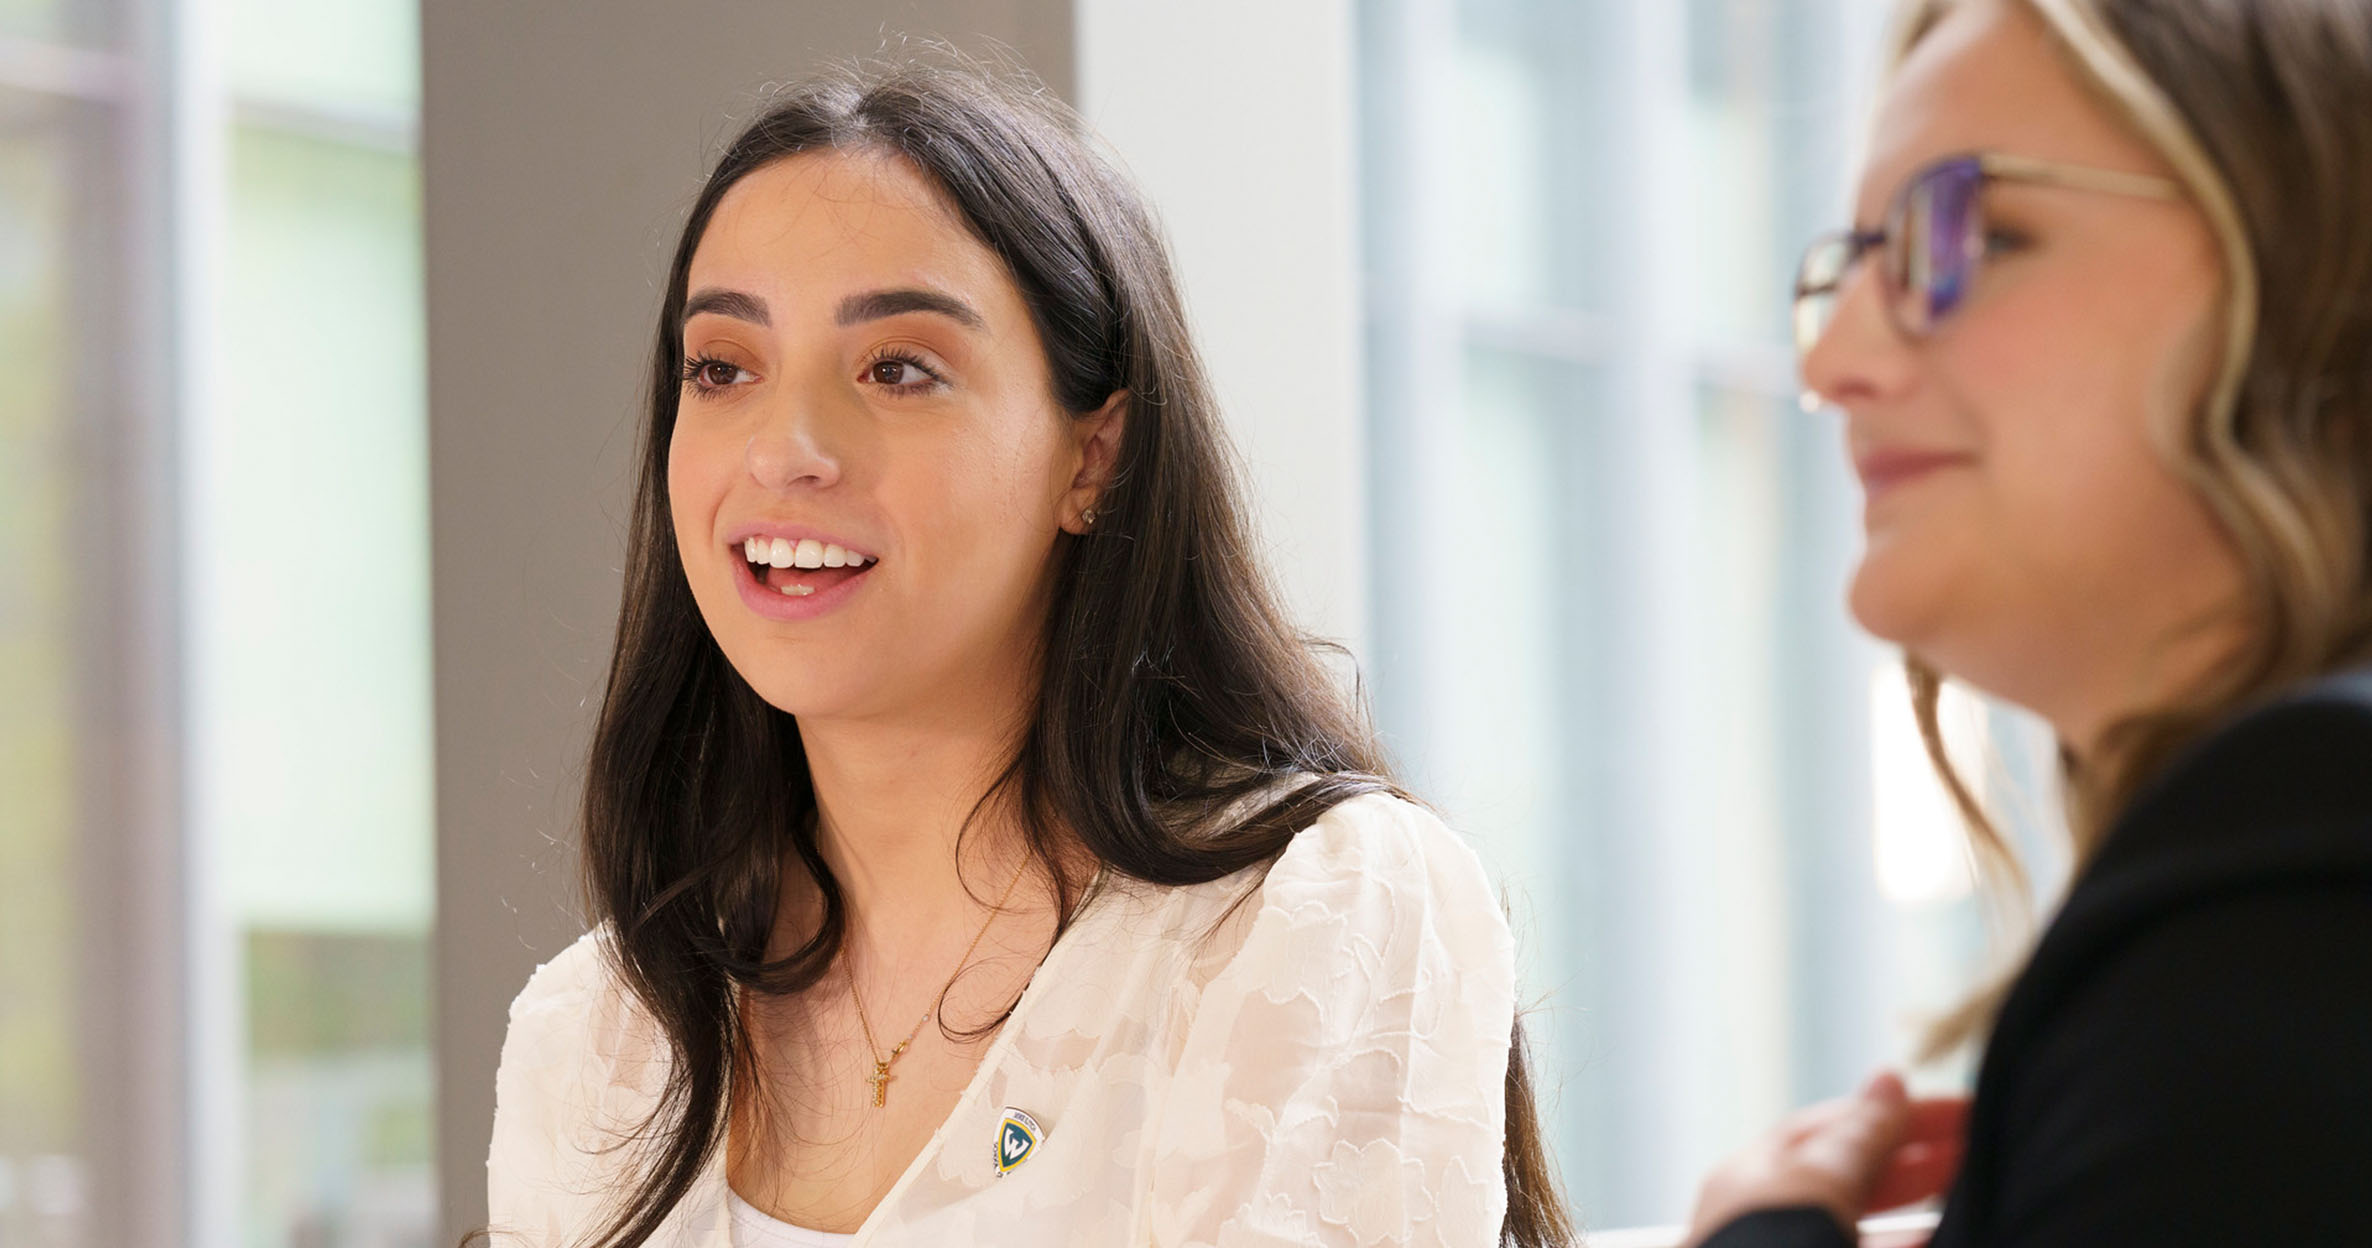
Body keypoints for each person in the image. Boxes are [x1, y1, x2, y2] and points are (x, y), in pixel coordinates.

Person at [480, 58, 1570, 1248]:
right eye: (722, 368)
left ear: (1090, 460)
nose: (784, 449)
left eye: (897, 369)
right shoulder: (596, 1036)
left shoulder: (1306, 918)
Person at [1685, 0, 2372, 1244]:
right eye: (1847, 269)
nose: (1833, 358)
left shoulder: (2303, 851)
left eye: (1966, 230)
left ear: (2315, 269)